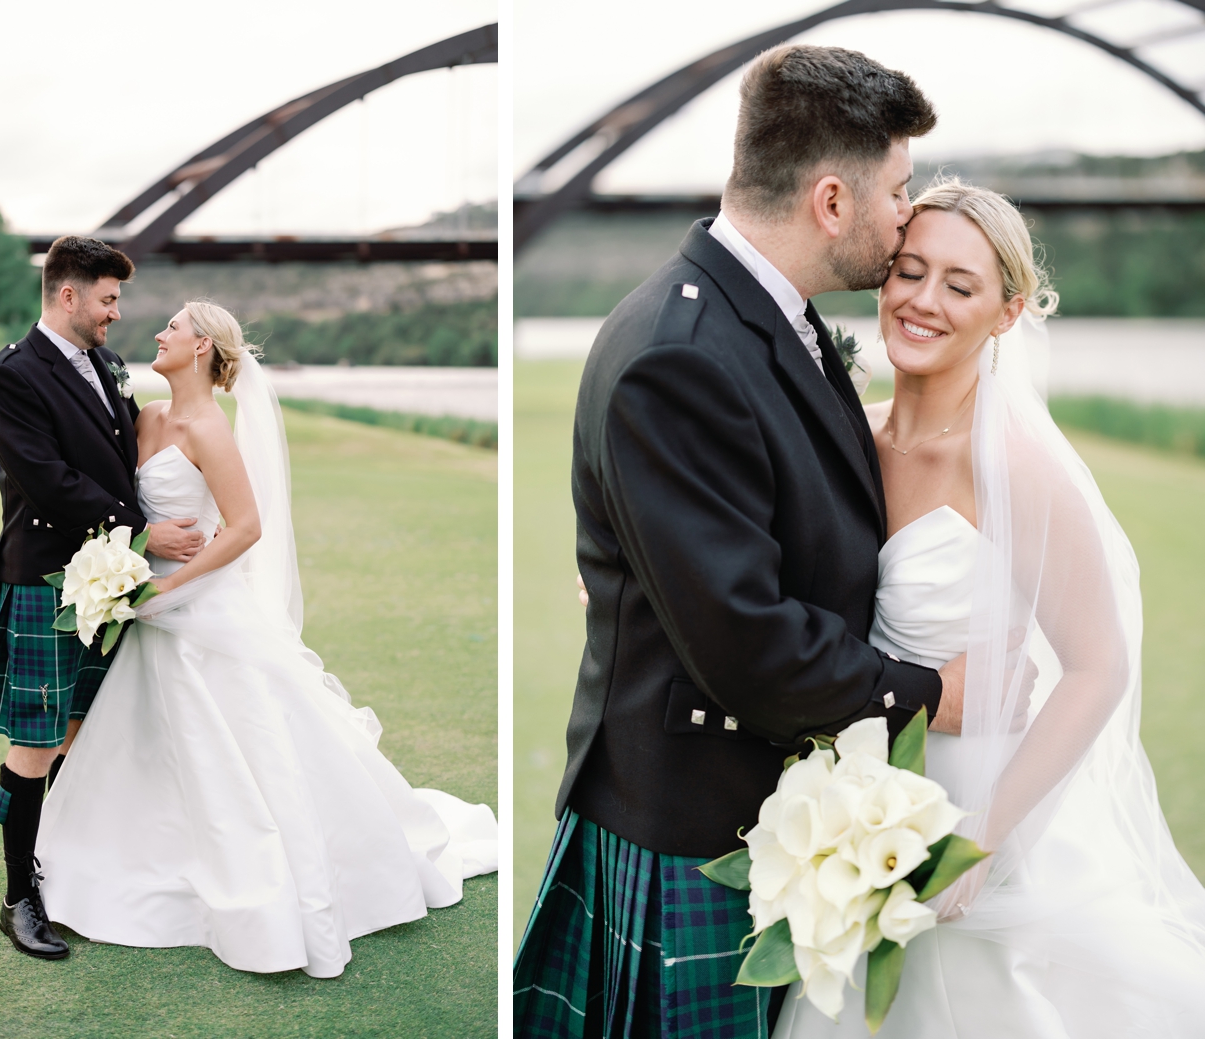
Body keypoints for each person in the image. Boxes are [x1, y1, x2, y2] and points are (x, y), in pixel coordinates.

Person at [515, 45, 957, 1038]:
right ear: (831, 201)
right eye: (895, 191)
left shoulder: (761, 320)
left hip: (752, 803)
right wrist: (925, 693)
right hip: (689, 817)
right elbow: (745, 641)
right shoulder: (682, 354)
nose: (904, 216)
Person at [773, 180, 1205, 1036]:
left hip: (982, 795)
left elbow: (1098, 667)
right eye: (908, 271)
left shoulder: (1012, 466)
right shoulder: (849, 434)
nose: (922, 301)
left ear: (1007, 314)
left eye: (959, 286)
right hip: (856, 798)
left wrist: (984, 838)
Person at [33, 300, 498, 977]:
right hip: (145, 598)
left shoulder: (208, 429)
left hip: (189, 603)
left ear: (200, 348)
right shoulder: (149, 416)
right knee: (147, 738)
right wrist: (127, 564)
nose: (159, 333)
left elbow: (246, 527)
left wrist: (166, 586)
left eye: (173, 327)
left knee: (239, 739)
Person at [0, 236, 205, 960]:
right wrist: (144, 532)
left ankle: (62, 868)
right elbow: (47, 480)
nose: (116, 313)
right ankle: (19, 896)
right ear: (67, 295)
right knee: (37, 741)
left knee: (82, 729)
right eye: (107, 299)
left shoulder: (105, 364)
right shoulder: (12, 376)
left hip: (110, 581)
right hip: (47, 577)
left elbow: (121, 461)